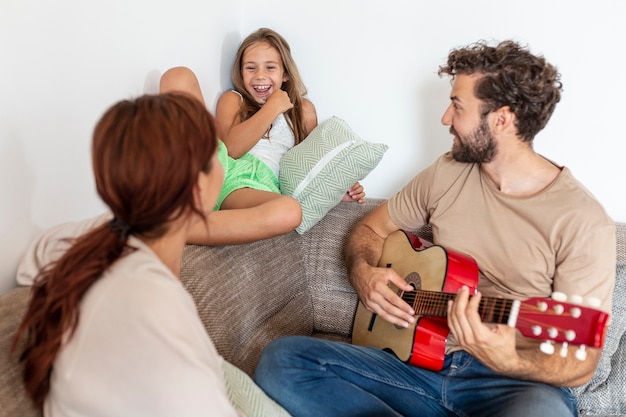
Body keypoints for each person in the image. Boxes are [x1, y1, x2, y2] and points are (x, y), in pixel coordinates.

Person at [253, 40, 617, 416]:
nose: (445, 118)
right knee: (284, 361)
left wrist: (506, 358)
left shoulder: (582, 221)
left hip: (513, 386)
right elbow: (370, 231)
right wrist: (363, 273)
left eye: (457, 106)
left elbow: (580, 363)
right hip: (418, 366)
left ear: (502, 120)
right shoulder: (447, 172)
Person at [13, 93, 238, 416]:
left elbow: (34, 261)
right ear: (197, 188)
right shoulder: (153, 304)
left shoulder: (95, 236)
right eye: (215, 151)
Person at [159, 28, 365, 246]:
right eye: (250, 68)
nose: (260, 76)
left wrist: (335, 191)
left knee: (290, 211)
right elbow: (231, 149)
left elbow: (307, 168)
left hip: (249, 188)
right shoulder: (233, 99)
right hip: (215, 165)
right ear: (240, 72)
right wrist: (271, 108)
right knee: (178, 76)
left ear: (285, 73)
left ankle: (180, 228)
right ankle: (185, 203)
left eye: (270, 67)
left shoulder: (302, 111)